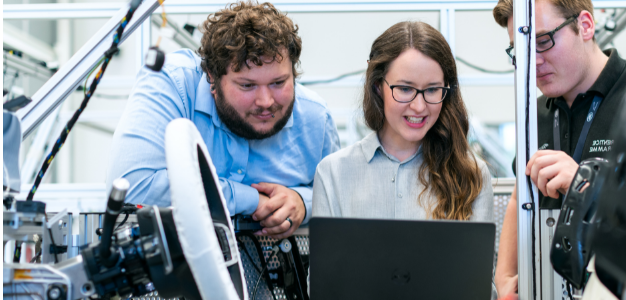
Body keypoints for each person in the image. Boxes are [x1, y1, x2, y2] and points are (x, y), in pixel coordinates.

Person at [107, 1, 340, 240]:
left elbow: (338, 198)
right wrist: (252, 201)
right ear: (212, 76)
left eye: (278, 83)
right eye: (247, 85)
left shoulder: (316, 119)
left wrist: (303, 202)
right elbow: (133, 185)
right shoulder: (172, 85)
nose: (266, 101)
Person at [492, 0, 626, 298]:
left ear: (585, 26)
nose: (532, 61)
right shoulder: (533, 113)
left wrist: (585, 185)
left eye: (543, 41)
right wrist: (505, 274)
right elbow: (517, 196)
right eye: (520, 49)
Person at [312, 21, 494, 223]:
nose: (418, 106)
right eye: (405, 89)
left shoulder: (472, 175)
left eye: (432, 90)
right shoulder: (332, 174)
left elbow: (476, 255)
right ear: (378, 86)